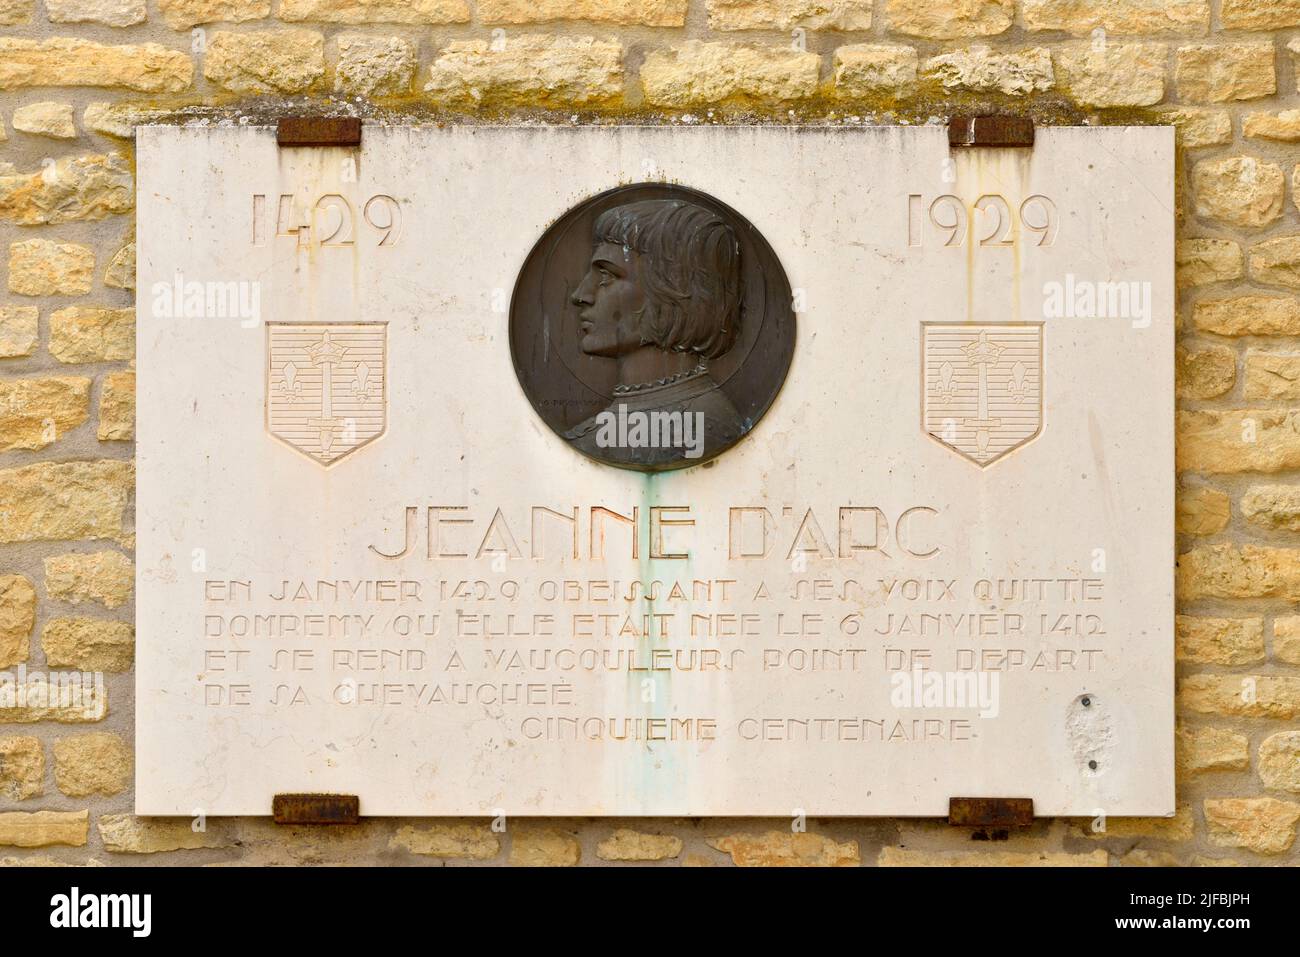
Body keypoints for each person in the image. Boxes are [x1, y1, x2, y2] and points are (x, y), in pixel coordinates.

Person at [564, 199, 746, 467]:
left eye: (606, 277)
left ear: (673, 292)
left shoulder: (706, 428)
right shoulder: (611, 426)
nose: (580, 295)